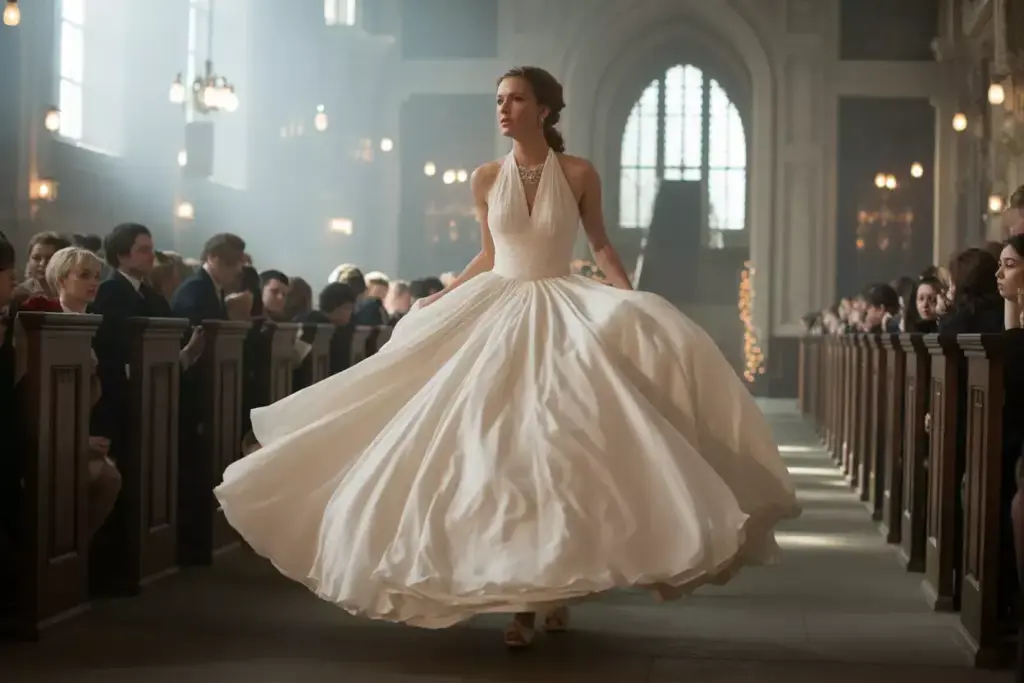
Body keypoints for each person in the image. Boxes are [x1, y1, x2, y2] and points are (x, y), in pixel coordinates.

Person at [214, 66, 799, 646]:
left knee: (559, 447)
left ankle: (552, 590)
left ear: (544, 109)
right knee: (499, 451)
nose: (503, 109)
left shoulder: (577, 173)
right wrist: (444, 295)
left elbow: (598, 242)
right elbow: (490, 254)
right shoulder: (487, 177)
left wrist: (630, 297)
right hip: (499, 305)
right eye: (499, 99)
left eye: (515, 99)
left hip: (559, 309)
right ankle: (522, 600)